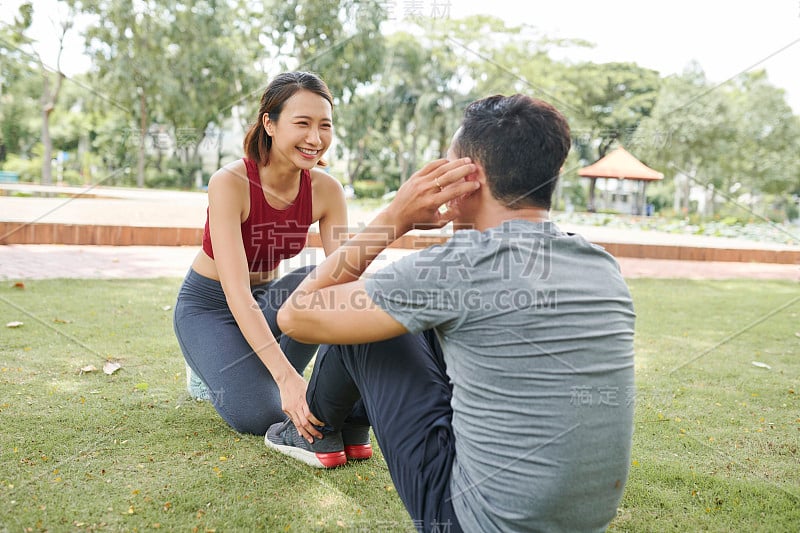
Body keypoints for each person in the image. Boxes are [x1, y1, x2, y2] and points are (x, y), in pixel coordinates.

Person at [268, 94, 636, 532]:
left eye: (444, 167)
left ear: (468, 178)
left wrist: (395, 216)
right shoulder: (601, 265)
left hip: (468, 520)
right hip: (581, 523)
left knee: (367, 325)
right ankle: (345, 426)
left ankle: (313, 431)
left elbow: (296, 314)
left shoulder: (461, 265)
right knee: (400, 311)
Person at [173, 71, 370, 457]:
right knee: (261, 413)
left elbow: (346, 279)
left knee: (330, 289)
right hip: (212, 307)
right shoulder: (230, 182)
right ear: (270, 123)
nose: (315, 138)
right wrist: (288, 379)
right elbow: (236, 293)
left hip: (270, 304)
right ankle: (209, 367)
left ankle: (247, 368)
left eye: (324, 125)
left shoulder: (326, 191)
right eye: (302, 123)